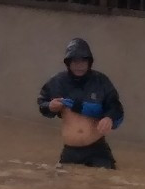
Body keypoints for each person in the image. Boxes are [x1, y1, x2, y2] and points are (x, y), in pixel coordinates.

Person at [37, 37, 124, 169]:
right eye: (75, 62)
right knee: (65, 187)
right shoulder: (58, 82)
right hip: (70, 151)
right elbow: (42, 103)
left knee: (105, 185)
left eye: (83, 61)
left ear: (89, 62)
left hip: (97, 149)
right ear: (68, 63)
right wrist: (50, 106)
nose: (79, 66)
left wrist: (109, 118)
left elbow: (115, 105)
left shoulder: (101, 81)